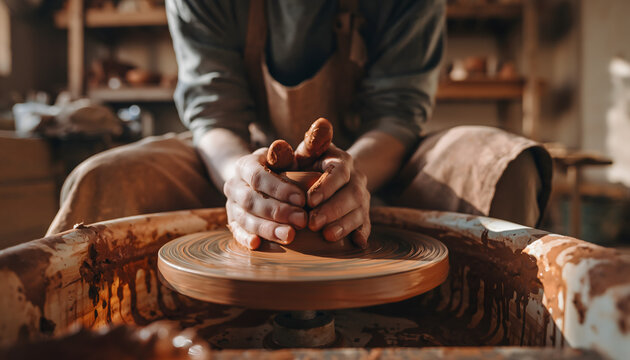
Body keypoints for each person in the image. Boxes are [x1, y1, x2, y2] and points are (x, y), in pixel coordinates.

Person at [47, 0, 551, 250]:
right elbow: (213, 111)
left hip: (379, 164)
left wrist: (351, 176)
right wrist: (240, 182)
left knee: (502, 165)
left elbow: (396, 114)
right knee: (105, 179)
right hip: (236, 156)